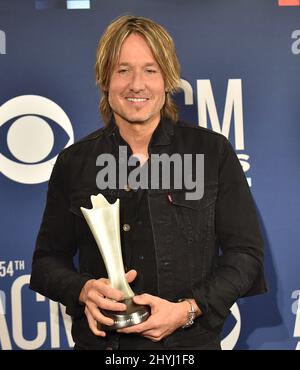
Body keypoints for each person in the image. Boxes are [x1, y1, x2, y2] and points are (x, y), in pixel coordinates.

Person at [30, 15, 267, 350]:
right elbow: (46, 262)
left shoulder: (212, 153)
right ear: (104, 79)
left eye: (150, 70)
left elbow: (246, 255)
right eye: (123, 70)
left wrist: (188, 310)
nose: (136, 84)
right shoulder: (74, 163)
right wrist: (82, 291)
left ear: (167, 79)